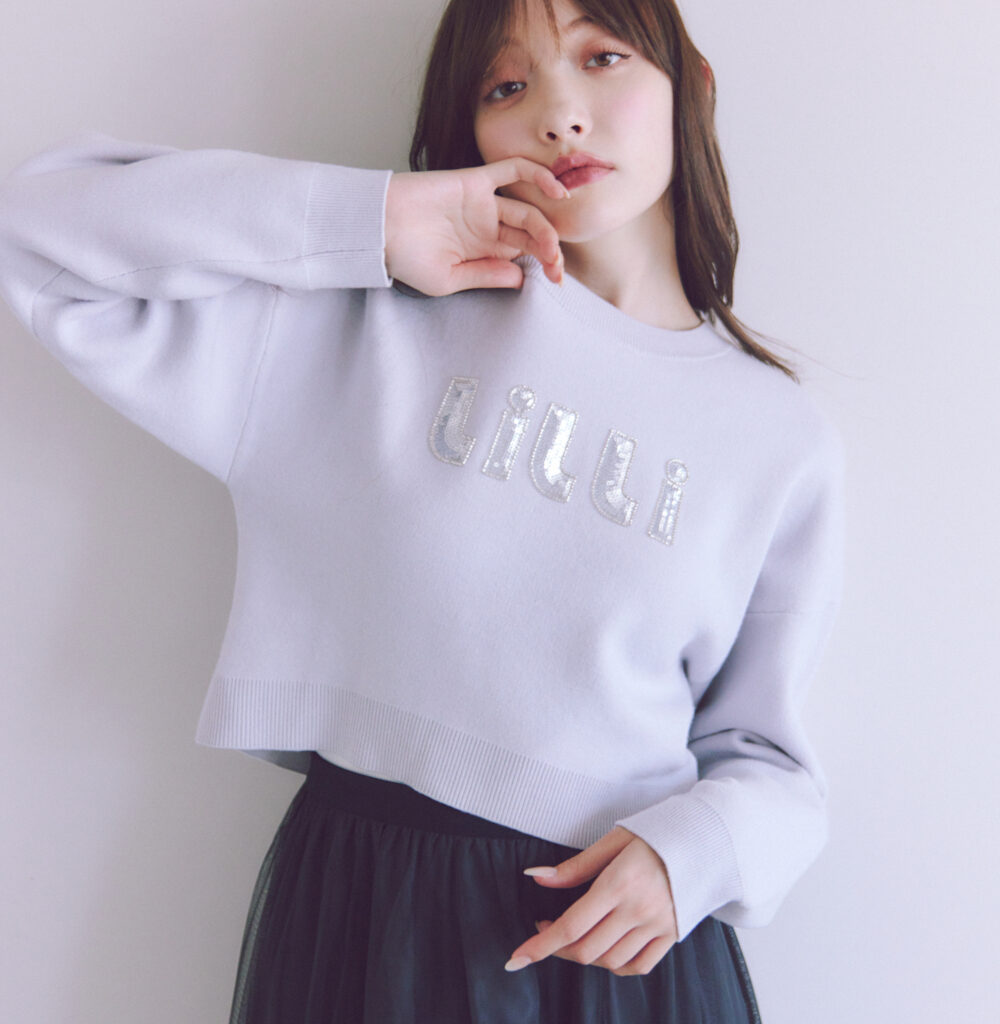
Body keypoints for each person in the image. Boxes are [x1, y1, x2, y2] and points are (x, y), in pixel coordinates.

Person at [0, 0, 844, 1020]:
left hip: (614, 955)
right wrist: (374, 222)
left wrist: (692, 858)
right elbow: (38, 225)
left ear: (692, 84)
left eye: (602, 56)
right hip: (372, 923)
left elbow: (771, 763)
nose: (559, 113)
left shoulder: (772, 434)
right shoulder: (361, 333)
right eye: (506, 85)